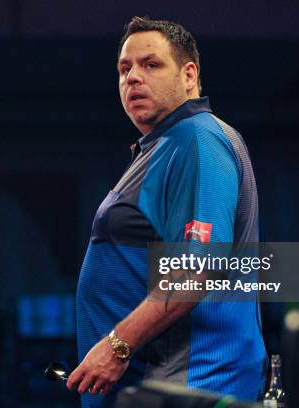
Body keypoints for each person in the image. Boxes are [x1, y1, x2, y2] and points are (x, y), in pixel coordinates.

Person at [67, 16, 267, 407]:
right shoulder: (165, 147)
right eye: (124, 69)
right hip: (159, 388)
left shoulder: (197, 138)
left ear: (189, 76)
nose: (133, 78)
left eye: (151, 65)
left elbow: (200, 266)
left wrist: (116, 345)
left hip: (191, 388)